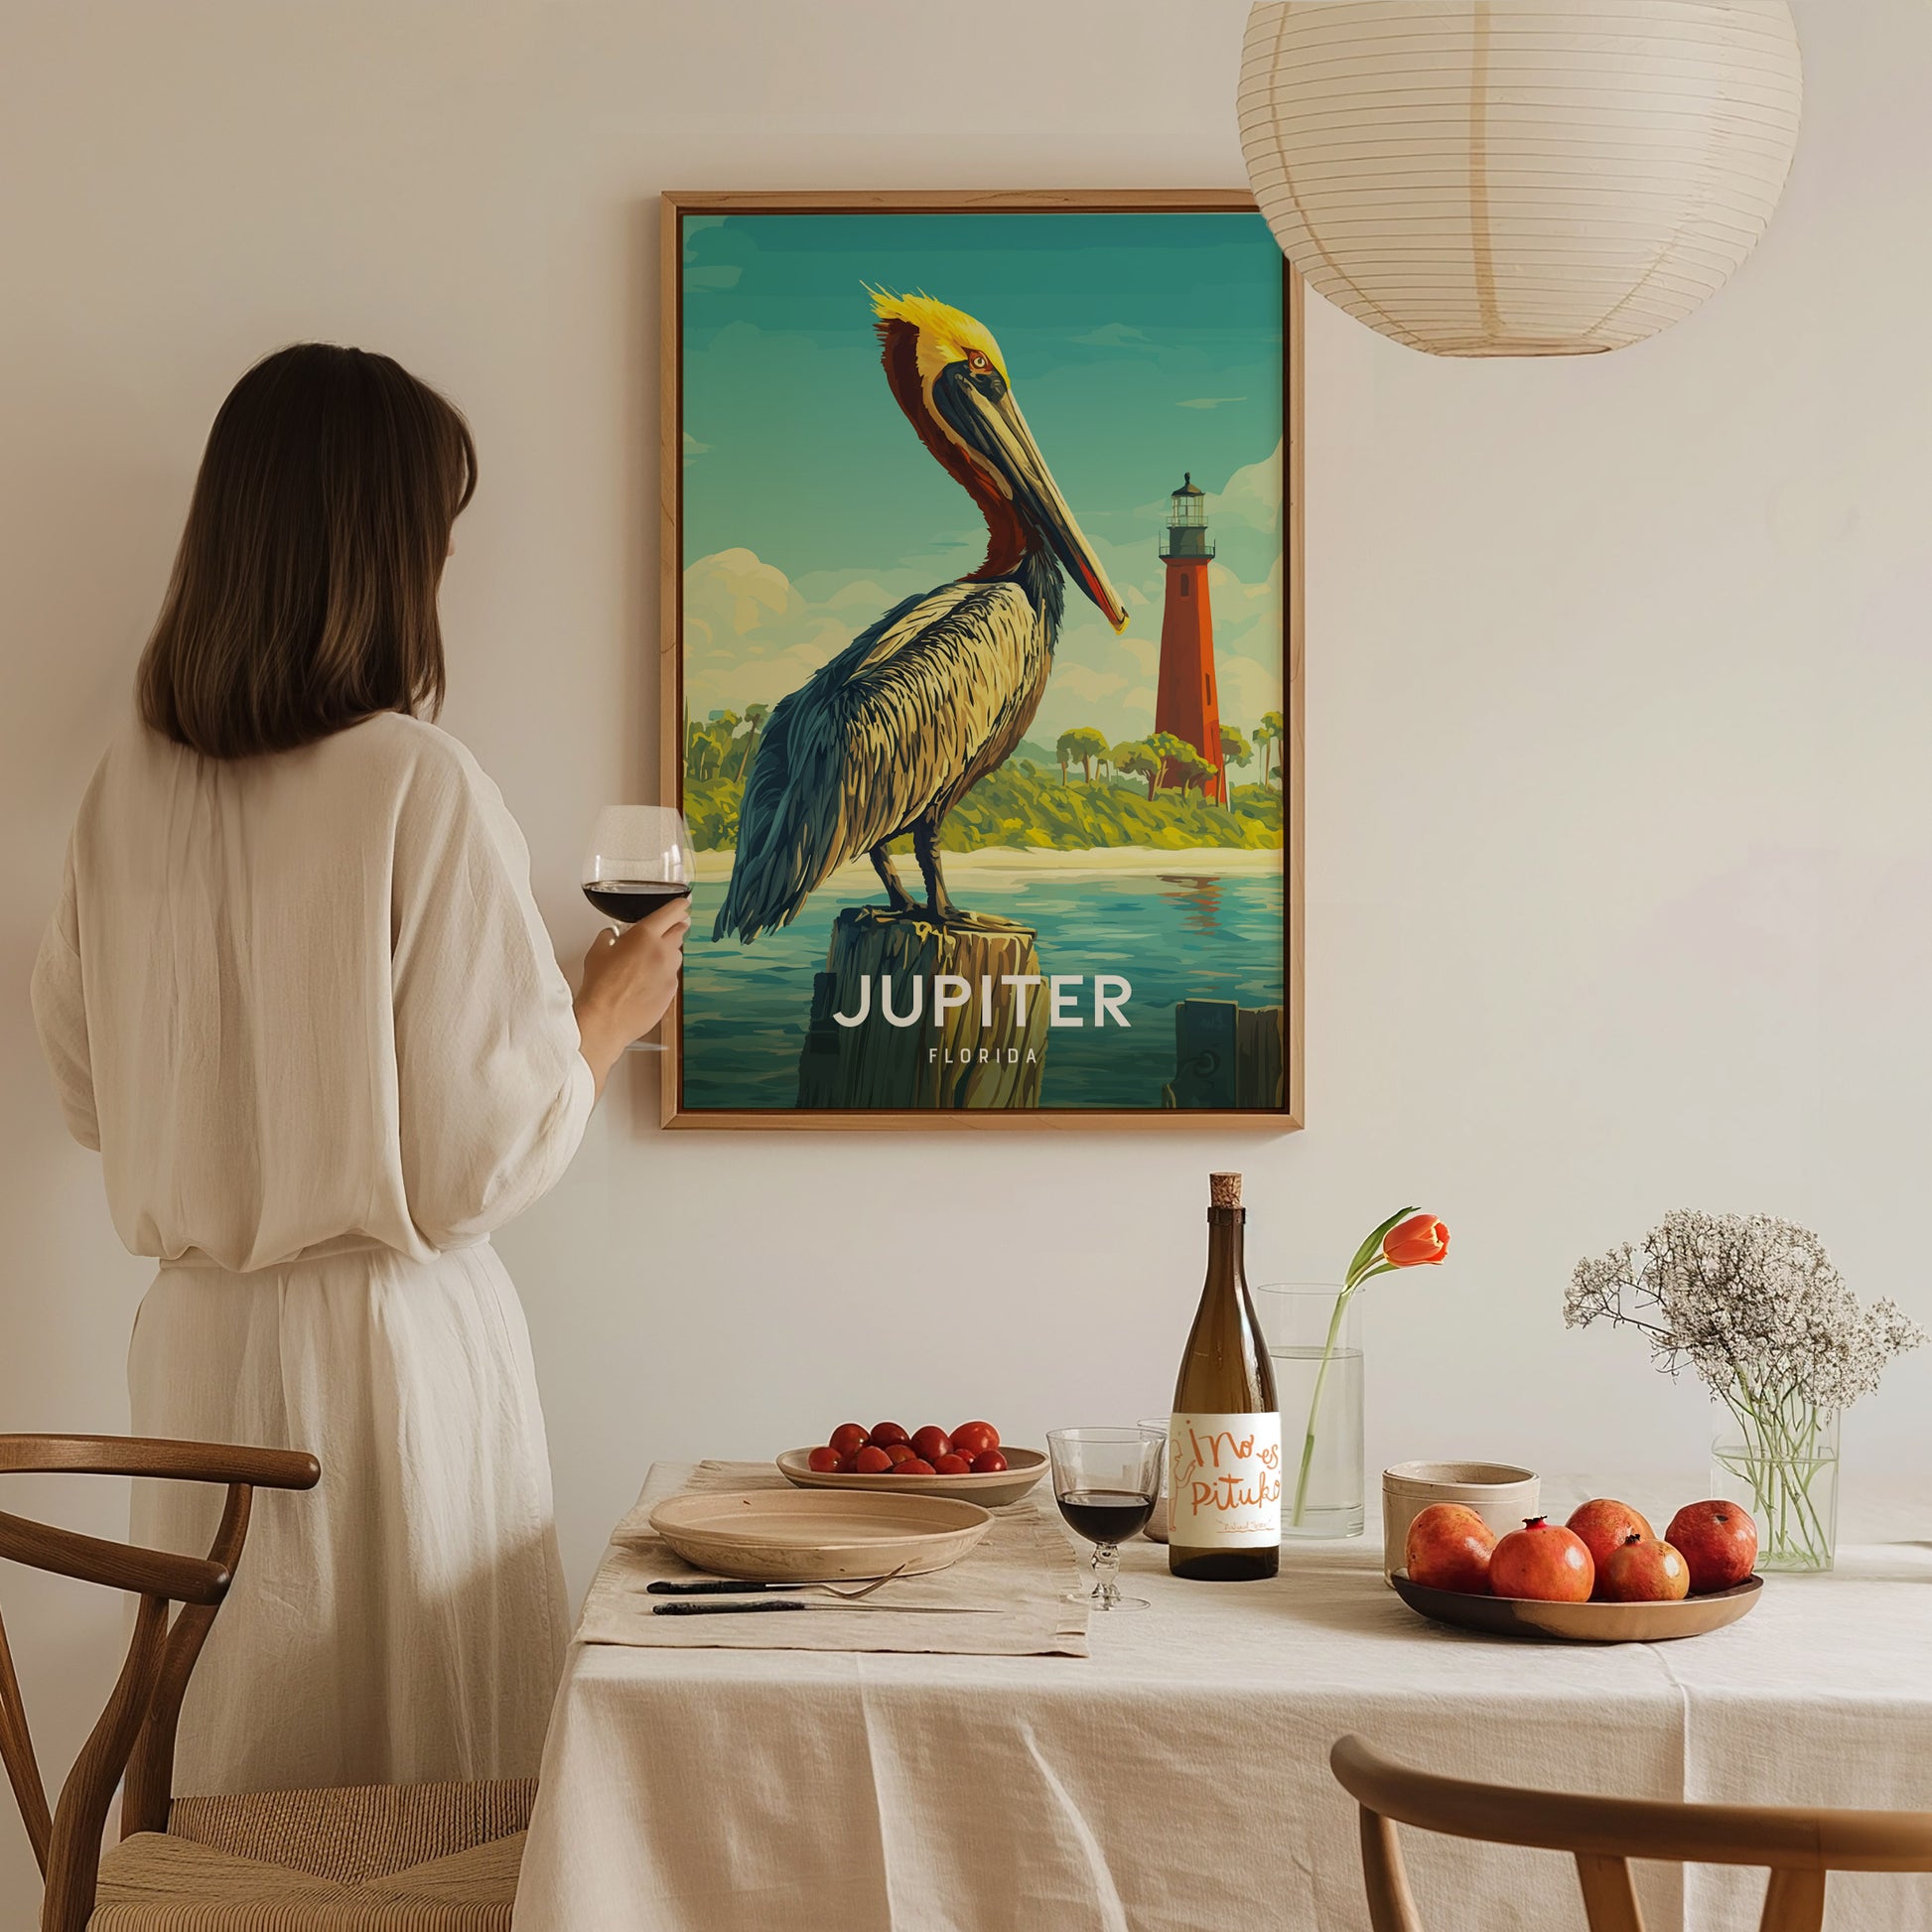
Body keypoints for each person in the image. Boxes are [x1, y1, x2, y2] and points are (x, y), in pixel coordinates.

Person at [29, 343, 685, 1793]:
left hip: (196, 1352)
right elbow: (471, 1164)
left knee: (239, 1781)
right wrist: (602, 1013)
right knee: (421, 1801)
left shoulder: (121, 792)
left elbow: (87, 1092)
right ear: (384, 552)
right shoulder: (415, 780)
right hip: (388, 1364)